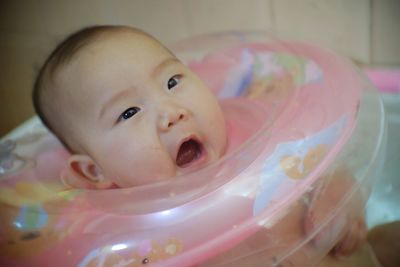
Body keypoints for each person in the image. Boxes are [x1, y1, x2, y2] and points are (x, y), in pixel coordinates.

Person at [32, 25, 376, 266]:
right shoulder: (131, 249)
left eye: (172, 81)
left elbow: (323, 162)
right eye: (129, 111)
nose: (171, 112)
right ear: (93, 171)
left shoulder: (271, 142)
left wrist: (339, 196)